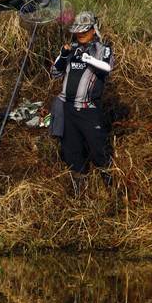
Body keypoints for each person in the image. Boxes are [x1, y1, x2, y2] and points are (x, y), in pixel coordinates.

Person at [50, 11, 114, 190]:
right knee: (71, 150)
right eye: (78, 31)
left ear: (94, 30)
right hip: (67, 108)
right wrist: (63, 56)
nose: (81, 34)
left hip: (88, 109)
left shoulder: (103, 49)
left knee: (98, 148)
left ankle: (111, 186)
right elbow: (55, 73)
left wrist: (88, 58)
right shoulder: (70, 48)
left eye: (85, 31)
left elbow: (107, 68)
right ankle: (80, 190)